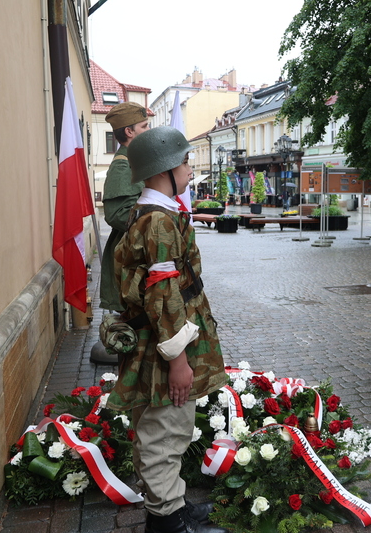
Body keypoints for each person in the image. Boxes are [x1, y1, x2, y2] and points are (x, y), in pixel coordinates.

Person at [107, 126, 228, 533]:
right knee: (166, 430)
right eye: (186, 162)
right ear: (165, 169)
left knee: (166, 427)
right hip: (166, 345)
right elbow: (162, 294)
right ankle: (167, 523)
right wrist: (178, 359)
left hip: (161, 338)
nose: (191, 170)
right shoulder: (158, 221)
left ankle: (172, 505)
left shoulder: (153, 213)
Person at [99, 101, 150, 312]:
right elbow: (117, 215)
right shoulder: (122, 165)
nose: (149, 131)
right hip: (129, 258)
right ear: (129, 131)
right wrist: (154, 221)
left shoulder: (135, 159)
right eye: (144, 126)